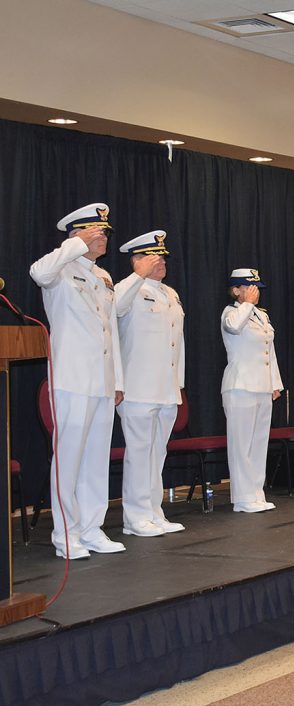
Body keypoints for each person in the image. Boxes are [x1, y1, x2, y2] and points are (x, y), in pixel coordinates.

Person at [30, 203, 126, 559]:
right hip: (71, 377)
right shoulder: (59, 268)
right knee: (69, 458)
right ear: (78, 233)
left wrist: (117, 378)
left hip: (101, 379)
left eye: (103, 231)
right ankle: (66, 534)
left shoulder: (102, 277)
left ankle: (91, 527)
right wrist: (73, 244)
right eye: (97, 231)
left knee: (96, 459)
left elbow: (110, 331)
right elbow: (37, 272)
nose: (104, 236)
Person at [114, 231, 186, 537]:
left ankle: (154, 511)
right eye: (153, 257)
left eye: (163, 257)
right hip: (138, 388)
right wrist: (137, 276)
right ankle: (135, 517)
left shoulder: (170, 294)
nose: (161, 262)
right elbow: (113, 308)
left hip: (166, 388)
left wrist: (178, 383)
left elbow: (176, 344)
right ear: (136, 260)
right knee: (139, 453)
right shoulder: (127, 289)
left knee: (157, 454)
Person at [221, 268, 282, 513]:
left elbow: (270, 352)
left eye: (257, 288)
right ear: (237, 290)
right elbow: (234, 327)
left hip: (262, 386)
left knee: (258, 443)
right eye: (249, 287)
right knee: (241, 444)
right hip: (240, 386)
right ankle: (243, 497)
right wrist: (247, 304)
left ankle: (257, 492)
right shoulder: (232, 312)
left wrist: (275, 383)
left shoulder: (262, 316)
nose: (255, 292)